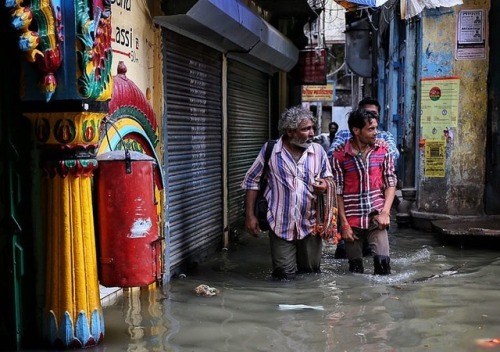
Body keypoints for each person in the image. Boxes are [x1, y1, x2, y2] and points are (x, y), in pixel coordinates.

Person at [241, 106, 335, 280]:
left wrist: (325, 186)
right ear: (290, 131)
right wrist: (249, 216)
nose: (312, 133)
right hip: (280, 224)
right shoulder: (271, 151)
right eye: (306, 129)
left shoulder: (318, 152)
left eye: (312, 128)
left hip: (311, 225)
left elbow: (329, 179)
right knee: (283, 277)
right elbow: (251, 181)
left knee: (310, 276)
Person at [330, 97, 399, 259]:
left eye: (376, 128)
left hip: (376, 217)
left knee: (383, 264)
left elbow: (391, 182)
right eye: (371, 129)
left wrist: (385, 213)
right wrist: (344, 224)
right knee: (354, 270)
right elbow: (337, 191)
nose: (376, 132)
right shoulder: (340, 155)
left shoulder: (383, 149)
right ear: (356, 130)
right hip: (351, 220)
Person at [328, 97, 400, 161]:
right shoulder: (343, 135)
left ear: (378, 116)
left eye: (373, 113)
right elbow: (331, 154)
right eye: (366, 113)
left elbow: (393, 154)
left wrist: (352, 151)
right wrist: (361, 153)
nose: (370, 116)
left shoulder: (385, 136)